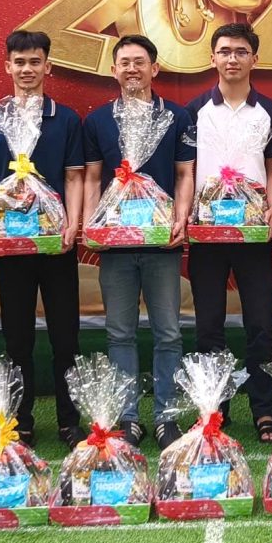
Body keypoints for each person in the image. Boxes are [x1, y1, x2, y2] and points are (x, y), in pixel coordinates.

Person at [0, 30, 85, 447]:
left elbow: (74, 177)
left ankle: (69, 421)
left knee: (65, 336)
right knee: (17, 338)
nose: (27, 69)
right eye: (19, 62)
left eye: (35, 61)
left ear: (48, 66)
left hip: (56, 245)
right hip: (10, 246)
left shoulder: (66, 119)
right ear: (7, 66)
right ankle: (20, 420)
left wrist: (73, 223)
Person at [82, 34, 195, 449]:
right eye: (124, 62)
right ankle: (127, 418)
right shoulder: (97, 121)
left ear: (155, 68)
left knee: (169, 333)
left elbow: (184, 174)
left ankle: (167, 417)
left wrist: (181, 218)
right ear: (113, 70)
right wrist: (91, 223)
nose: (132, 69)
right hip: (115, 247)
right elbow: (93, 178)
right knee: (119, 333)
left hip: (162, 245)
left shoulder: (176, 117)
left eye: (139, 62)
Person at [185, 23, 272, 443]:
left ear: (254, 59)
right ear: (212, 58)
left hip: (253, 234)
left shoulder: (270, 111)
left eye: (241, 51)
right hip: (207, 236)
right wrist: (187, 215)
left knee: (260, 323)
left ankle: (263, 409)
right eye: (224, 51)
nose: (232, 58)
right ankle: (214, 409)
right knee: (208, 325)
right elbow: (186, 171)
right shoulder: (194, 110)